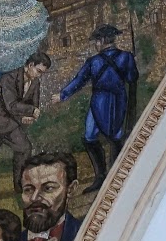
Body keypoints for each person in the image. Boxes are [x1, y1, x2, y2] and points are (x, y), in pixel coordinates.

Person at [58, 24, 139, 192]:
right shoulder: (126, 57)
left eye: (96, 41)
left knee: (98, 137)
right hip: (115, 100)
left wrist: (63, 94)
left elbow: (79, 80)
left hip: (101, 101)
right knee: (103, 136)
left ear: (102, 41)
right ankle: (104, 177)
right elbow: (132, 77)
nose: (95, 44)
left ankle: (110, 176)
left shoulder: (94, 61)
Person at [0, 51, 51, 192]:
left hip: (12, 124)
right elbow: (11, 105)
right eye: (38, 71)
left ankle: (20, 187)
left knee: (24, 149)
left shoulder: (35, 82)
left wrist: (29, 117)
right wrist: (30, 111)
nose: (39, 75)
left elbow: (34, 104)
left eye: (42, 73)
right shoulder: (8, 78)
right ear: (30, 65)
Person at [11, 152, 81, 241]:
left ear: (71, 189)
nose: (34, 198)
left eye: (48, 188)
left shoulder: (84, 236)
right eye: (28, 190)